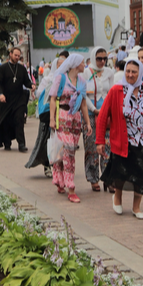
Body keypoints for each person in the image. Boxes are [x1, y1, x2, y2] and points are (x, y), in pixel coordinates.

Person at [96, 58, 143, 219]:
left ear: (140, 73)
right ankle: (117, 198)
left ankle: (136, 207)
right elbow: (103, 116)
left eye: (134, 72)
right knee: (121, 173)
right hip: (122, 141)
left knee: (140, 175)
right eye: (128, 71)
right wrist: (99, 141)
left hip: (142, 142)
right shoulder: (116, 91)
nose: (130, 74)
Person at [49, 53, 92, 203]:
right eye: (81, 63)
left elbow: (84, 103)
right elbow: (53, 99)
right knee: (69, 152)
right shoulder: (61, 78)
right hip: (62, 117)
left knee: (67, 150)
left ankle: (58, 179)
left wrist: (87, 122)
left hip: (75, 120)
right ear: (74, 64)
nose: (84, 65)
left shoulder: (82, 81)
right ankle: (70, 187)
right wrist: (52, 120)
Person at [84, 46, 115, 192]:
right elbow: (83, 95)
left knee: (108, 147)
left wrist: (108, 110)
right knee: (92, 148)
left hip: (106, 114)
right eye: (99, 58)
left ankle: (108, 178)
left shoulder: (109, 72)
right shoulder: (86, 72)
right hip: (91, 114)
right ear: (93, 58)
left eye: (104, 58)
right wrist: (93, 110)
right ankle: (93, 178)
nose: (102, 61)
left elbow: (112, 91)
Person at [26, 58, 60, 177]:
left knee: (59, 140)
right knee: (46, 139)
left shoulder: (67, 79)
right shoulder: (48, 79)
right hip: (48, 113)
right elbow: (39, 93)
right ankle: (47, 165)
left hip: (62, 114)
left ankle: (58, 165)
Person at [0, 47, 32, 152]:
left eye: (18, 56)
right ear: (10, 54)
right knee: (6, 121)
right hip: (6, 99)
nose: (17, 57)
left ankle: (21, 144)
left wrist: (32, 85)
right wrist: (1, 94)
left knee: (19, 120)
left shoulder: (22, 69)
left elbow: (26, 81)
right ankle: (7, 142)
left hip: (19, 99)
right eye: (15, 55)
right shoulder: (3, 68)